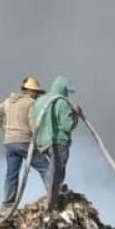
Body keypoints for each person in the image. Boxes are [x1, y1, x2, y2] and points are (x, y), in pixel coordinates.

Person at [0, 76, 50, 208]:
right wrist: (41, 143)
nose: (37, 96)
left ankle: (7, 204)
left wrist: (4, 127)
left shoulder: (9, 101)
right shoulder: (31, 103)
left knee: (11, 174)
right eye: (36, 93)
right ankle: (54, 196)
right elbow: (33, 124)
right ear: (32, 91)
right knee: (45, 166)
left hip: (9, 143)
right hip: (24, 141)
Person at [31, 76, 81, 211]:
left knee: (52, 169)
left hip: (42, 142)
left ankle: (53, 194)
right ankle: (52, 202)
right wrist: (76, 116)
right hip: (58, 141)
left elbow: (32, 119)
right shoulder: (63, 102)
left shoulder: (40, 101)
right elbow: (66, 125)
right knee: (57, 171)